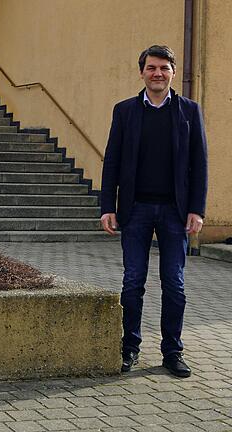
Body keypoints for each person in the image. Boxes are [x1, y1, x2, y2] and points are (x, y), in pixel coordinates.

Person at [100, 45, 208, 378]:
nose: (157, 73)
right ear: (142, 72)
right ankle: (129, 347)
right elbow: (112, 162)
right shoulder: (125, 111)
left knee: (174, 284)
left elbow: (199, 164)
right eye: (151, 68)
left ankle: (172, 351)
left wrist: (197, 209)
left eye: (164, 67)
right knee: (133, 282)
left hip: (176, 213)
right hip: (136, 211)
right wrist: (108, 207)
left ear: (173, 72)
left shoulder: (190, 111)